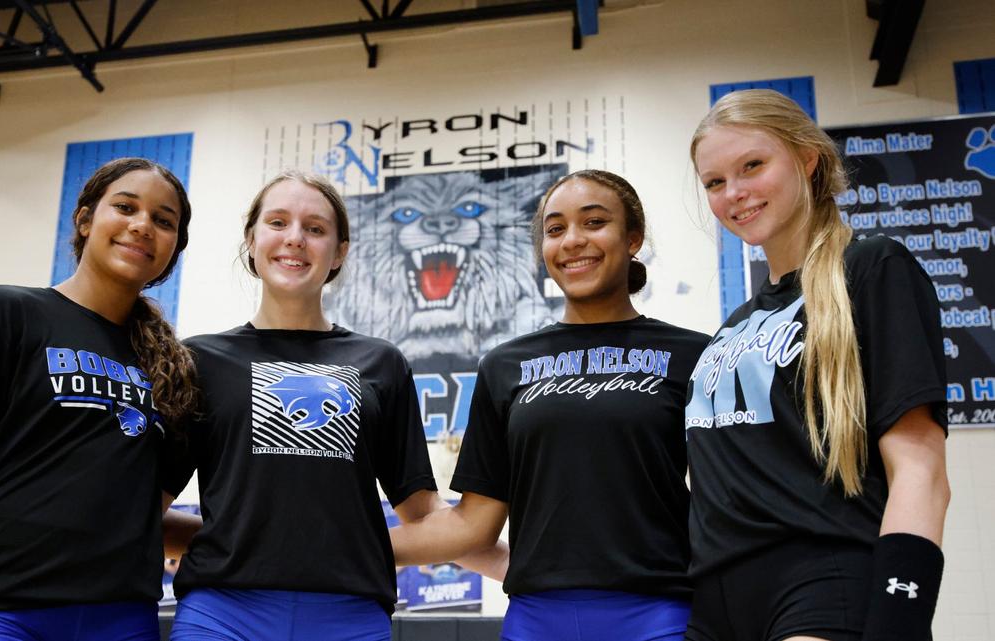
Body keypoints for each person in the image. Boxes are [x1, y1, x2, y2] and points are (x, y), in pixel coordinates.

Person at [390, 169, 710, 641]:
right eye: (556, 229)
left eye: (595, 222)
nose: (573, 241)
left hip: (659, 615)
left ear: (634, 238)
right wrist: (328, 545)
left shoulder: (694, 355)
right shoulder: (504, 366)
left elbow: (727, 503)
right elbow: (472, 527)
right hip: (537, 619)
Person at [685, 89, 950, 641]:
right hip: (712, 603)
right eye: (714, 182)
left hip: (823, 584)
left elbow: (921, 469)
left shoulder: (872, 268)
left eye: (752, 165)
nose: (734, 193)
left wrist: (899, 620)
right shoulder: (732, 325)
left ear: (808, 158)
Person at [0, 157, 197, 641]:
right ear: (85, 219)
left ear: (173, 249)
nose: (142, 225)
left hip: (123, 620)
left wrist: (244, 539)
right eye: (125, 207)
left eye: (164, 221)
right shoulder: (4, 314)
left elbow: (140, 513)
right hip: (3, 613)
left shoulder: (173, 371)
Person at [165, 171, 443, 641]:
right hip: (222, 612)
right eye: (277, 222)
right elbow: (142, 508)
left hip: (349, 615)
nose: (295, 239)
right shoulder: (198, 360)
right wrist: (237, 539)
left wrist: (508, 558)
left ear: (339, 252)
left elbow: (424, 513)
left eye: (315, 229)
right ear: (252, 240)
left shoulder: (382, 363)